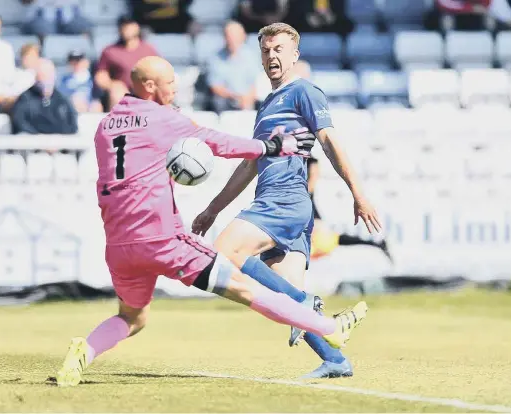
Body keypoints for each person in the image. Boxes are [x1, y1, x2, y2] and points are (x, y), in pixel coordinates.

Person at [55, 56, 368, 387]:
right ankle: (331, 330)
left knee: (132, 318)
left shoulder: (105, 126)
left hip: (119, 247)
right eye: (170, 82)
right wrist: (273, 145)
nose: (175, 87)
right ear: (149, 86)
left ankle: (84, 351)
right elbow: (221, 144)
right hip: (163, 241)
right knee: (246, 289)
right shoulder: (163, 119)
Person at [192, 23, 381, 379]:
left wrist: (358, 193)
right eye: (265, 50)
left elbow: (329, 142)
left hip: (285, 201)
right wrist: (213, 208)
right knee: (282, 298)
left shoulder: (305, 92)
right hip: (278, 202)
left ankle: (305, 305)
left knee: (225, 254)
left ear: (294, 54)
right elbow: (250, 163)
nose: (271, 56)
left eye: (278, 49)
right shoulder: (267, 104)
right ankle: (335, 360)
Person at [307, 157, 392, 261]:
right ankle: (377, 243)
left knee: (334, 239)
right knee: (334, 239)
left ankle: (377, 243)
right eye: (314, 173)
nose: (317, 175)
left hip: (314, 229)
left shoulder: (308, 190)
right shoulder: (301, 189)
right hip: (310, 229)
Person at [95, 16, 158, 111]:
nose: (126, 29)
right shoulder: (110, 51)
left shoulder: (148, 50)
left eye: (129, 25)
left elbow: (160, 72)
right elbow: (100, 77)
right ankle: (119, 123)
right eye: (123, 26)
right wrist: (113, 85)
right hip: (122, 92)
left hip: (144, 90)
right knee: (117, 93)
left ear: (137, 27)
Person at [10, 58, 78, 135]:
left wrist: (57, 140)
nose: (45, 79)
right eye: (42, 75)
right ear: (36, 77)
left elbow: (72, 125)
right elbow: (19, 123)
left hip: (60, 144)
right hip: (33, 144)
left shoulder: (62, 100)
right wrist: (40, 139)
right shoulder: (25, 99)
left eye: (49, 74)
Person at [207, 21, 261, 113]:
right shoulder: (215, 57)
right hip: (226, 100)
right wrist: (236, 97)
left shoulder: (252, 56)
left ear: (243, 36)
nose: (232, 39)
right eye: (229, 36)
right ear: (224, 38)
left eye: (236, 36)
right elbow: (215, 86)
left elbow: (256, 82)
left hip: (249, 99)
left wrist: (248, 98)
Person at [21, 0, 93, 37]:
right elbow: (25, 2)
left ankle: (87, 53)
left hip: (70, 17)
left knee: (83, 25)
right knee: (42, 27)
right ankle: (43, 53)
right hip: (42, 18)